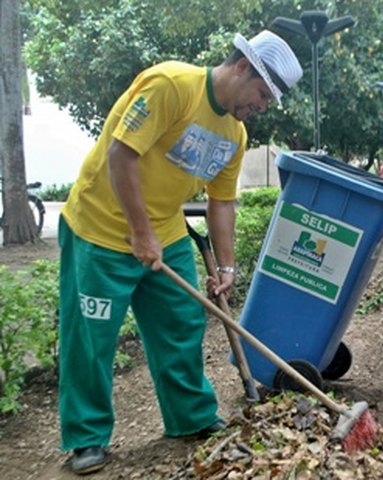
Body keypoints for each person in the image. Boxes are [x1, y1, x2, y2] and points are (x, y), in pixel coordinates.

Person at [58, 31, 302, 474]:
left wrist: (226, 264)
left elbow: (221, 202)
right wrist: (139, 232)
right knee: (91, 338)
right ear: (243, 67)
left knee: (182, 323)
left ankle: (190, 417)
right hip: (100, 228)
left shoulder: (235, 133)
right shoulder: (171, 85)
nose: (263, 106)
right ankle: (86, 437)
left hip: (165, 234)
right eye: (263, 94)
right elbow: (121, 154)